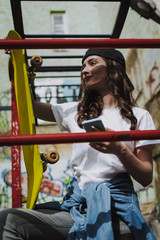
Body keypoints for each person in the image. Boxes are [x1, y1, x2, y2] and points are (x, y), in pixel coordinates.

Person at [0, 49, 159, 240]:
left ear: (112, 68)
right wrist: (17, 64)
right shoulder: (76, 112)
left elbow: (146, 176)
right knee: (8, 221)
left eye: (92, 63)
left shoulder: (139, 116)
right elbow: (28, 105)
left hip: (119, 208)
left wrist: (121, 150)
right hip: (76, 208)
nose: (84, 69)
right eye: (83, 65)